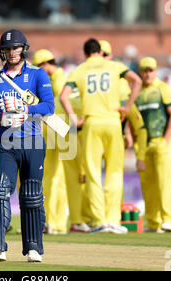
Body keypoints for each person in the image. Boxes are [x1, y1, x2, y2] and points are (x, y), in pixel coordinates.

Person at [0, 29, 54, 262]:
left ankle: (33, 248)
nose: (12, 52)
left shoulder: (38, 75)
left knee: (31, 195)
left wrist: (25, 111)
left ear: (24, 49)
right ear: (2, 51)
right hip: (4, 143)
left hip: (32, 142)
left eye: (16, 48)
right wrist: (0, 118)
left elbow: (49, 107)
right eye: (8, 49)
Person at [59, 38, 142, 234]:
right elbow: (136, 81)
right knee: (114, 172)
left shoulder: (79, 70)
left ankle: (99, 221)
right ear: (100, 51)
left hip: (92, 123)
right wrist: (128, 107)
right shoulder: (114, 66)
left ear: (86, 53)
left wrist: (73, 119)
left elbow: (64, 96)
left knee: (94, 173)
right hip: (114, 121)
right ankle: (113, 221)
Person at [32, 48, 90, 235]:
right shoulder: (57, 77)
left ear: (46, 64)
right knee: (61, 178)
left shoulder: (56, 78)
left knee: (51, 178)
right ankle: (59, 222)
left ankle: (50, 221)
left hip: (51, 127)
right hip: (59, 128)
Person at [99, 40, 147, 212]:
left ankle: (112, 213)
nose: (101, 58)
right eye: (99, 54)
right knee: (100, 175)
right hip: (101, 128)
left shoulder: (118, 73)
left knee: (113, 174)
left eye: (104, 54)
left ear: (110, 55)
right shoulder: (99, 73)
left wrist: (129, 134)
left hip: (114, 131)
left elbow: (136, 123)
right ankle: (99, 216)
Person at [134, 57, 171, 233]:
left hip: (162, 141)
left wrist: (167, 139)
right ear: (140, 72)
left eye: (150, 70)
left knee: (164, 181)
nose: (148, 73)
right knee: (148, 184)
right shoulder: (137, 93)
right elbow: (133, 120)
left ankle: (169, 219)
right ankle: (153, 222)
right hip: (144, 144)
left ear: (155, 71)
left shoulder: (163, 88)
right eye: (144, 70)